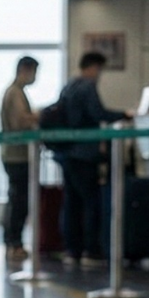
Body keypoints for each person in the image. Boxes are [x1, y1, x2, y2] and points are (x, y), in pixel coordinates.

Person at [49, 51, 130, 268]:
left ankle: (72, 249)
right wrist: (124, 114)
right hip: (84, 153)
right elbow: (97, 113)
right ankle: (91, 250)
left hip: (66, 153)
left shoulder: (69, 86)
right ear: (93, 67)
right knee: (90, 202)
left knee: (71, 202)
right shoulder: (87, 86)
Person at [0, 56, 39, 263]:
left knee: (16, 198)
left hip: (14, 154)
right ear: (25, 69)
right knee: (18, 200)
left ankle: (13, 242)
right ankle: (14, 243)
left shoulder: (15, 92)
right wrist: (38, 117)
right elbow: (20, 122)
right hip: (17, 155)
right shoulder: (14, 93)